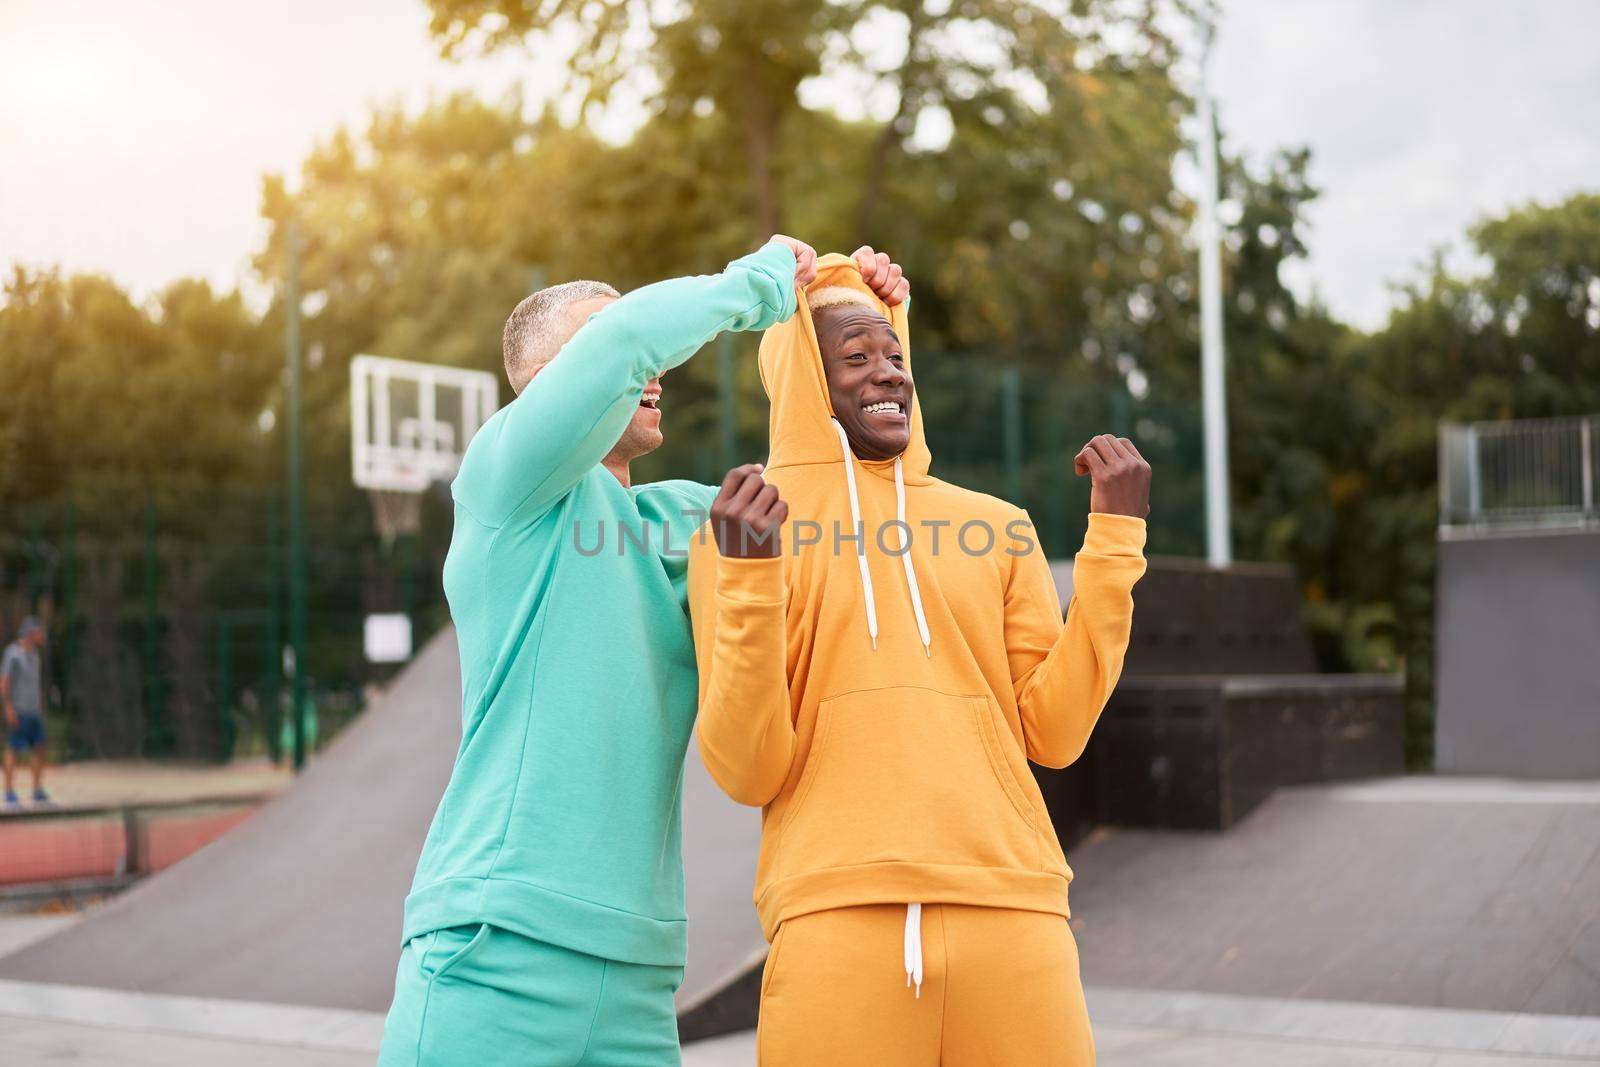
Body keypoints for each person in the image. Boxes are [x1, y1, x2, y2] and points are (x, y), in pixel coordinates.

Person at [379, 235, 911, 1067]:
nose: (652, 365)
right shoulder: (503, 490)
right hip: (496, 947)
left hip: (638, 977)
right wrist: (762, 279)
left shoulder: (690, 524)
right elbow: (631, 343)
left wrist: (859, 315)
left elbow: (845, 495)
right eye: (608, 336)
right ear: (547, 384)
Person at [688, 252, 1151, 1064]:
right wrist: (752, 579)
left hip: (1014, 908)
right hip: (835, 915)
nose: (887, 377)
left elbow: (1056, 729)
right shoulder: (740, 532)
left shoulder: (999, 525)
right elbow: (746, 766)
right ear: (805, 378)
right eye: (855, 358)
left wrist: (1114, 543)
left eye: (895, 357)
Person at [3, 616, 51, 807]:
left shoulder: (35, 655)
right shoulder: (12, 653)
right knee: (13, 750)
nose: (43, 635)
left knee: (39, 748)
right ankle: (8, 793)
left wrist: (40, 707)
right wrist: (8, 708)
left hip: (34, 712)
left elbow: (35, 684)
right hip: (19, 710)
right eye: (40, 631)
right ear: (31, 633)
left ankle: (37, 791)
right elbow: (4, 682)